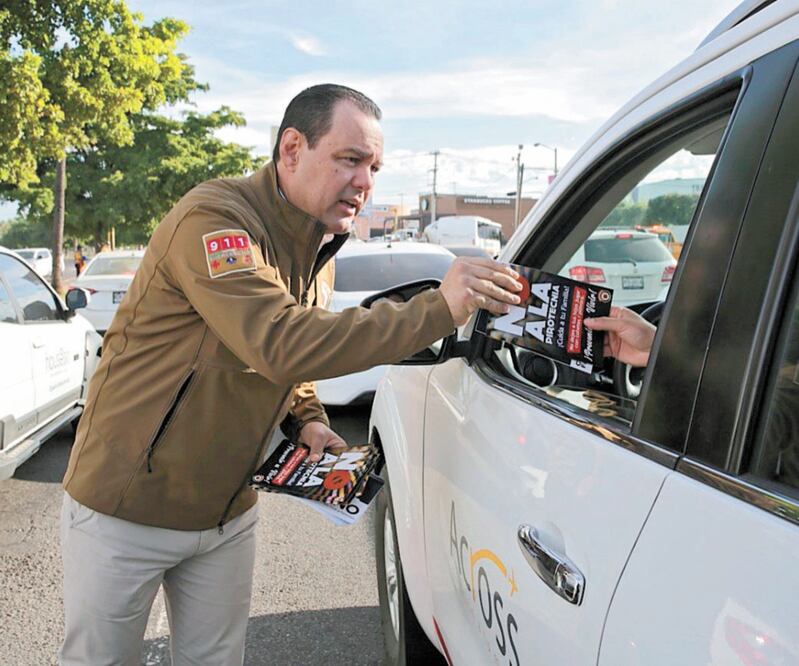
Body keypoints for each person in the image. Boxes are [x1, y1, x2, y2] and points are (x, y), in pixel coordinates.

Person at [58, 84, 523, 666]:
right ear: (292, 149)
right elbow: (279, 341)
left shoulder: (316, 245)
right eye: (350, 159)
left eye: (374, 168)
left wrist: (307, 419)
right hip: (126, 505)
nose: (364, 182)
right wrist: (439, 309)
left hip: (227, 510)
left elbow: (289, 362)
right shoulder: (215, 218)